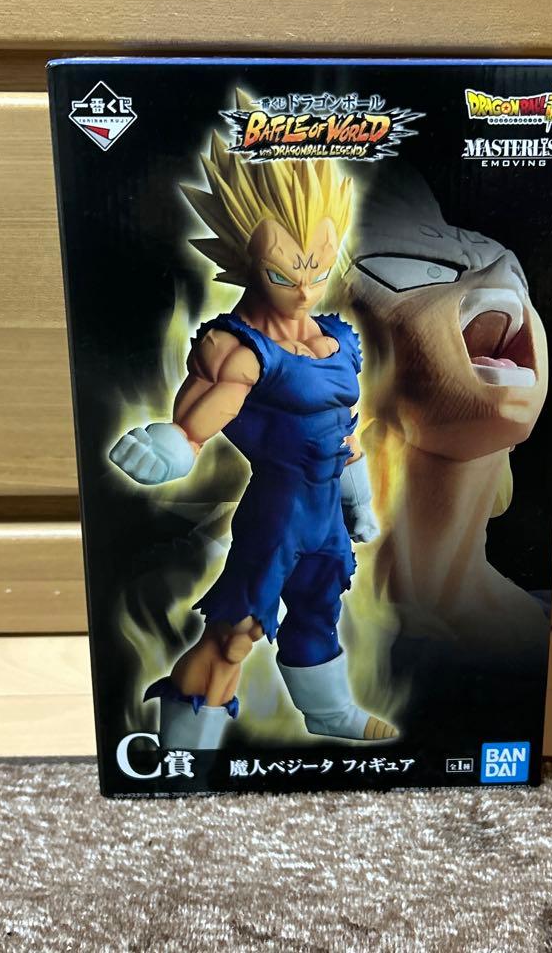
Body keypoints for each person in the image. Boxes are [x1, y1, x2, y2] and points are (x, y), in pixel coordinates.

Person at [109, 134, 396, 748]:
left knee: (320, 609)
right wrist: (172, 445)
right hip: (277, 513)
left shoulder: (338, 339)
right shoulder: (236, 349)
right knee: (238, 630)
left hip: (327, 512)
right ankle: (187, 746)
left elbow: (344, 436)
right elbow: (196, 421)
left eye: (319, 269)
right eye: (284, 273)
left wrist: (359, 502)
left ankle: (329, 712)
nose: (305, 288)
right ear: (247, 258)